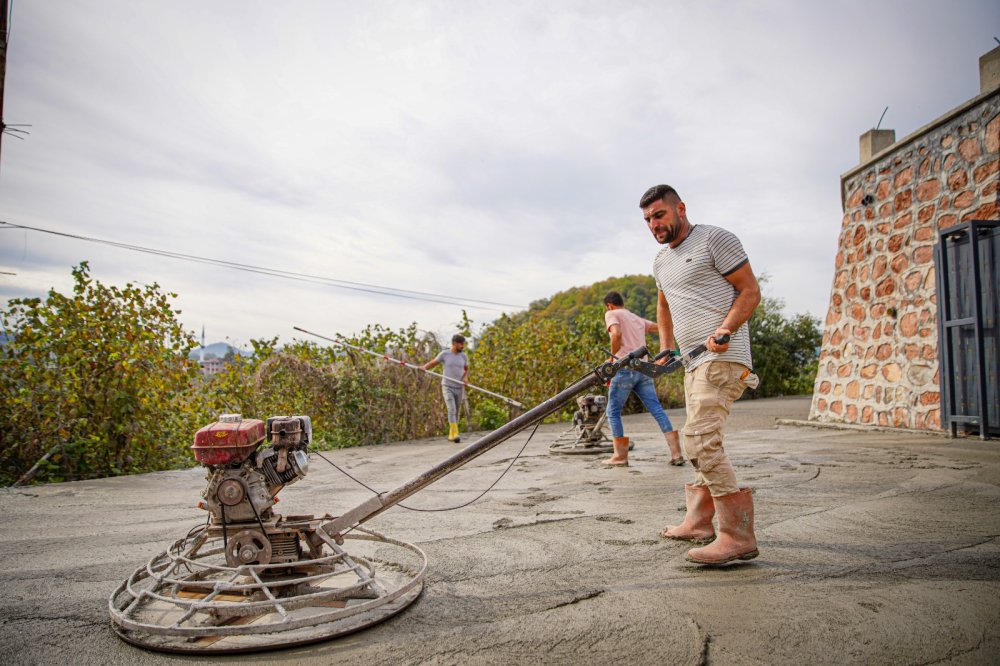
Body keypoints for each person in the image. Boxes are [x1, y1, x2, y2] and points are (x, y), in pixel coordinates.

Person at [642, 184, 762, 566]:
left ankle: (737, 536)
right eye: (647, 219)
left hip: (723, 357)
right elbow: (664, 306)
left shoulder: (714, 239)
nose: (654, 224)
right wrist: (666, 346)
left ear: (680, 208)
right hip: (693, 362)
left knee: (698, 440)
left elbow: (750, 291)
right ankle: (698, 521)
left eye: (659, 215)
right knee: (699, 436)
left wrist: (726, 328)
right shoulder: (661, 261)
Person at [601, 290, 685, 468]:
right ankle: (676, 453)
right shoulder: (635, 317)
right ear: (622, 303)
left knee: (613, 411)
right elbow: (659, 327)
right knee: (656, 408)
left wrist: (611, 359)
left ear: (609, 305)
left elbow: (616, 334)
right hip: (644, 368)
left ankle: (620, 456)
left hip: (624, 368)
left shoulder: (611, 314)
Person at [420, 334, 469, 443]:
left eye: (463, 344)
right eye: (461, 344)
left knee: (456, 411)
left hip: (459, 387)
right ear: (454, 343)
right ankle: (455, 434)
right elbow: (433, 363)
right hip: (447, 386)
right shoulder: (445, 354)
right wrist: (424, 367)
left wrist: (465, 378)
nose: (463, 346)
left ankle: (452, 434)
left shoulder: (463, 356)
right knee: (451, 409)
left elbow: (466, 369)